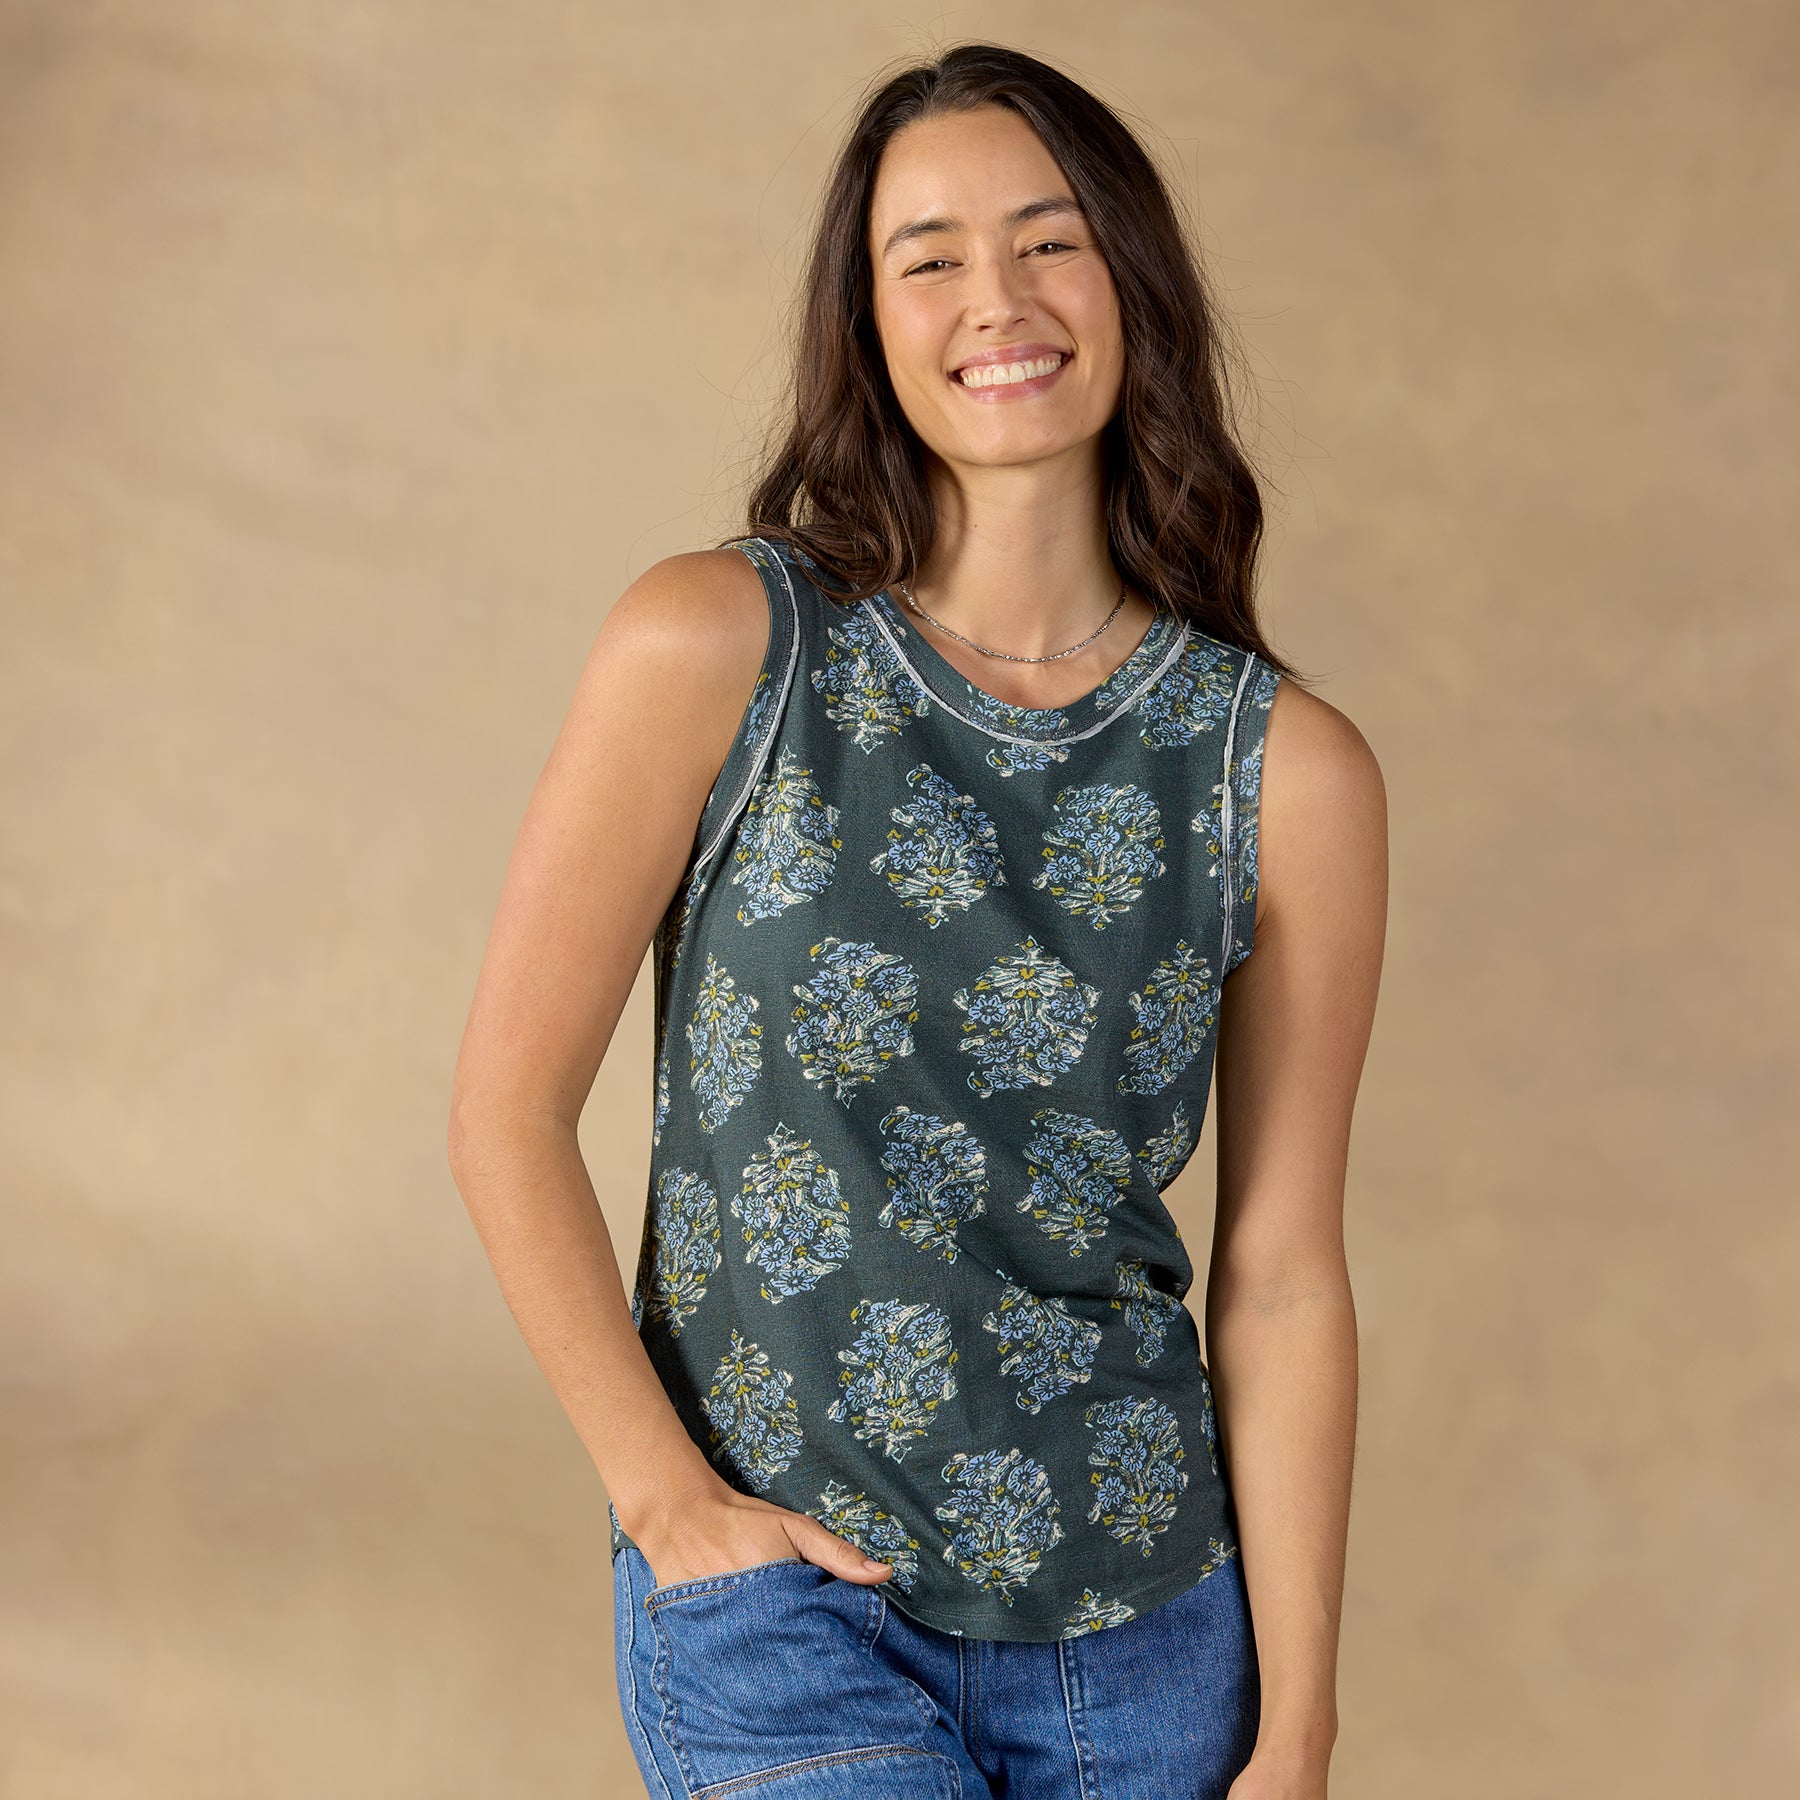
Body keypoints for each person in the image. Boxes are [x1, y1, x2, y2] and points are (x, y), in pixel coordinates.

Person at [448, 41, 1385, 1800]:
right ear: (867, 324)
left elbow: (1279, 1276)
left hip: (1150, 1635)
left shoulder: (1285, 770)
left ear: (1130, 282)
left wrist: (1302, 1730)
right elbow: (504, 1112)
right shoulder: (719, 644)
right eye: (929, 256)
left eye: (1048, 242)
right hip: (787, 1609)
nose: (996, 301)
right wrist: (665, 1505)